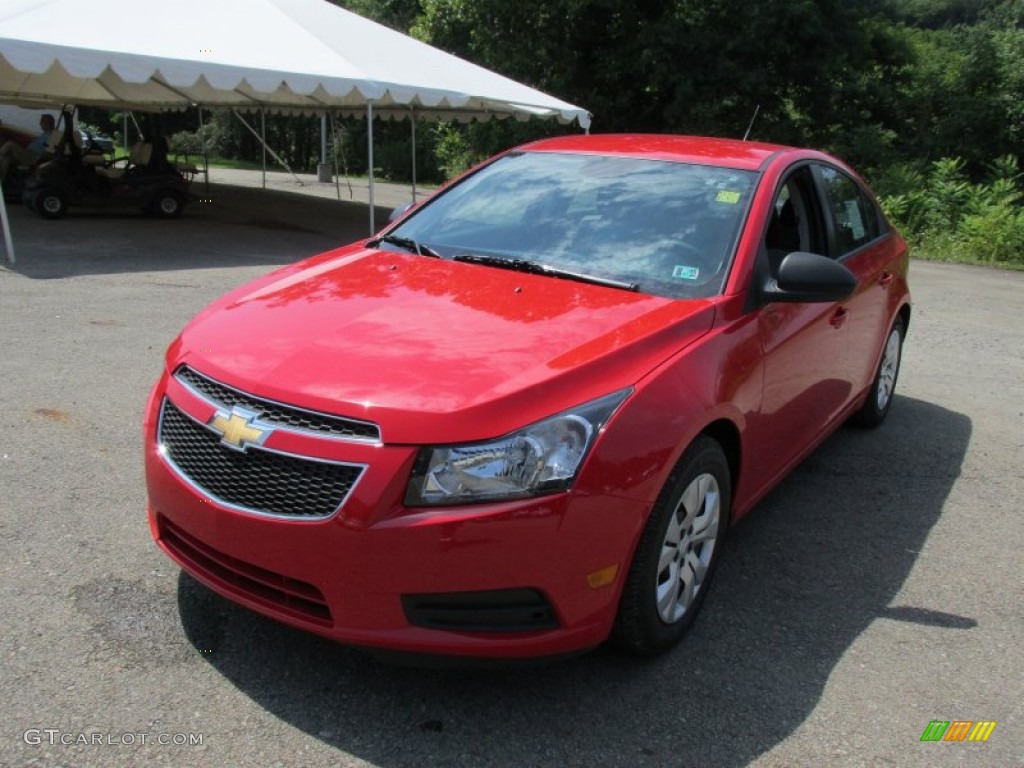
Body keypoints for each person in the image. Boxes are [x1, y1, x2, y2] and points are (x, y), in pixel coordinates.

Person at [0, 114, 56, 182]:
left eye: (42, 122)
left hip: (32, 156)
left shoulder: (52, 135)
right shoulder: (45, 134)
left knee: (10, 144)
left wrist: (40, 158)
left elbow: (49, 151)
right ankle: (1, 180)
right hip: (28, 153)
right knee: (7, 158)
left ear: (48, 123)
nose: (40, 124)